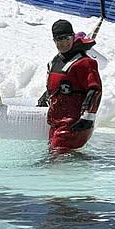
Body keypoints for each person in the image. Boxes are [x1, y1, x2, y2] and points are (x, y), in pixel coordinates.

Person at [37, 20, 102, 153]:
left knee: (57, 159)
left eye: (66, 38)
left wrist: (88, 118)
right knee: (54, 156)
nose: (63, 43)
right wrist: (44, 98)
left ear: (73, 37)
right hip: (56, 123)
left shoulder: (85, 63)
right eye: (58, 39)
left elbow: (95, 90)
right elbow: (57, 87)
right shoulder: (54, 62)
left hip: (76, 124)